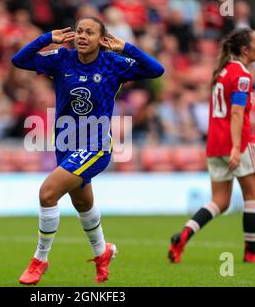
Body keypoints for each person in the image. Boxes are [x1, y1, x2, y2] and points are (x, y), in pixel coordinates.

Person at [12, 16, 164, 285]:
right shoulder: (61, 58)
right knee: (82, 203)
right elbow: (19, 61)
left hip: (95, 146)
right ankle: (102, 251)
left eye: (90, 32)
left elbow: (156, 70)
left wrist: (126, 47)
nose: (82, 36)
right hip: (65, 143)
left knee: (48, 193)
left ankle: (40, 260)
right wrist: (46, 39)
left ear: (101, 39)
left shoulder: (113, 63)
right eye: (79, 31)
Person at [167, 28, 255, 264]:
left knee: (220, 201)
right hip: (238, 143)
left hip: (215, 144)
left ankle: (184, 235)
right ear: (245, 50)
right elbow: (236, 113)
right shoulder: (243, 76)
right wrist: (237, 148)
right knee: (252, 196)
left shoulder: (223, 71)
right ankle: (251, 253)